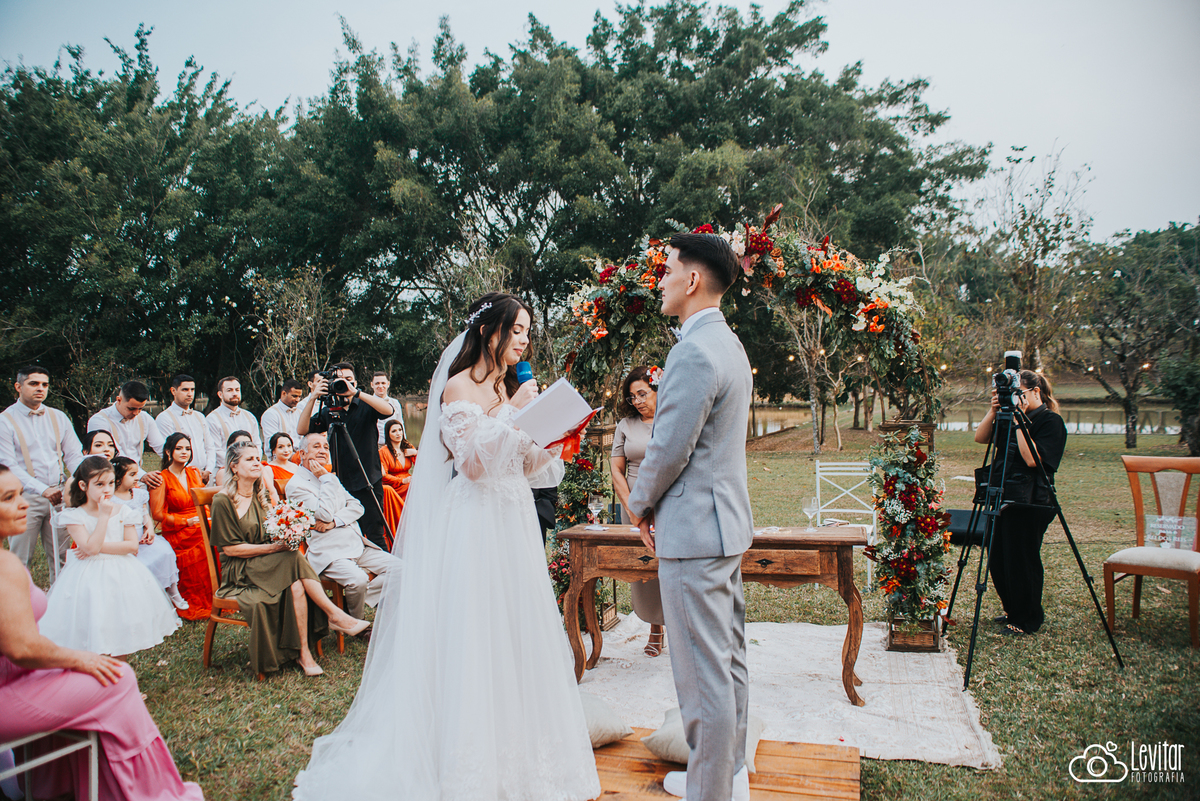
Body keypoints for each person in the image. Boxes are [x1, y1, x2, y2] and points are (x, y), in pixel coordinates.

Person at [294, 293, 600, 800]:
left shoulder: (504, 386)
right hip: (477, 523)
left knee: (515, 626)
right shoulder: (459, 386)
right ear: (487, 332)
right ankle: (467, 763)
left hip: (514, 518)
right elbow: (473, 465)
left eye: (527, 332)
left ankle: (521, 753)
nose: (524, 341)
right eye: (517, 330)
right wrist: (516, 413)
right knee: (476, 631)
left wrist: (551, 438)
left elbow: (520, 464)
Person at [627, 233, 754, 801]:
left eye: (667, 270)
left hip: (695, 531)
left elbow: (669, 448)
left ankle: (710, 791)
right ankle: (728, 776)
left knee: (702, 677)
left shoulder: (693, 351)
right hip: (723, 527)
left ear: (693, 279)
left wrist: (638, 504)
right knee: (727, 661)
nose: (661, 280)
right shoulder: (730, 343)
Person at [0, 464, 205, 801]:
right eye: (9, 498)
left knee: (110, 667)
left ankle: (59, 784)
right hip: (11, 685)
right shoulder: (6, 565)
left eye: (21, 494)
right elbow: (21, 648)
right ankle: (145, 789)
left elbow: (128, 546)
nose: (24, 503)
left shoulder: (6, 560)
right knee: (119, 678)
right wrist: (80, 660)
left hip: (20, 677)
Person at [208, 441, 369, 677]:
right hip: (241, 569)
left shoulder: (260, 495)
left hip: (268, 564)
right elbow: (231, 551)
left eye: (258, 458)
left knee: (295, 583)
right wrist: (274, 548)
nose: (257, 463)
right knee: (292, 558)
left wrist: (289, 531)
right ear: (234, 466)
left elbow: (272, 531)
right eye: (249, 459)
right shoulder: (223, 501)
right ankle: (333, 614)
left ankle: (305, 652)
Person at [38, 457, 181, 656]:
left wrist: (94, 547)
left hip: (121, 572)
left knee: (121, 630)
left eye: (111, 483)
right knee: (92, 626)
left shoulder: (124, 511)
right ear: (83, 486)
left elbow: (131, 546)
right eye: (99, 484)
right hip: (87, 576)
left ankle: (120, 670)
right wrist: (103, 517)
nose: (107, 490)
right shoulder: (74, 516)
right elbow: (90, 548)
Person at [973, 370, 1068, 636]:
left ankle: (1027, 619)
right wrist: (994, 410)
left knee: (1022, 559)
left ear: (1035, 392)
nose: (1012, 399)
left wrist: (1017, 421)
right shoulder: (1008, 416)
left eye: (1018, 394)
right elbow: (981, 437)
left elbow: (1031, 459)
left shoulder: (1050, 421)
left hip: (1033, 500)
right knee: (999, 558)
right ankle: (1012, 609)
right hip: (1003, 495)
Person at [285, 431, 399, 619]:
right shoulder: (297, 485)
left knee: (400, 570)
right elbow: (323, 513)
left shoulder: (328, 477)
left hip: (356, 545)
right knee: (358, 580)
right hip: (329, 552)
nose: (323, 451)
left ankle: (353, 601)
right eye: (316, 446)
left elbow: (357, 507)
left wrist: (334, 522)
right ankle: (356, 622)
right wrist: (327, 479)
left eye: (326, 447)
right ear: (302, 453)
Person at [298, 363, 394, 550]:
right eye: (339, 381)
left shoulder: (366, 405)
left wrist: (356, 393)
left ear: (355, 382)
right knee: (347, 532)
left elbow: (388, 411)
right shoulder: (329, 411)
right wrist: (313, 397)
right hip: (342, 481)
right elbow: (302, 430)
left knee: (375, 532)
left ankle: (384, 565)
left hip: (368, 478)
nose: (344, 384)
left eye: (348, 380)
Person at [0, 365, 84, 574]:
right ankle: (20, 595)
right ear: (18, 386)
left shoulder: (59, 417)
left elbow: (73, 455)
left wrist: (79, 482)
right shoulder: (4, 421)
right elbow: (8, 465)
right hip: (24, 496)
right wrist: (42, 489)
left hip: (60, 494)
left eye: (45, 384)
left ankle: (59, 594)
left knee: (62, 556)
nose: (40, 388)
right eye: (34, 383)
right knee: (20, 559)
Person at [612, 365, 667, 657]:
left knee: (670, 565)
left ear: (658, 390)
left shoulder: (672, 420)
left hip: (669, 504)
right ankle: (655, 628)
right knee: (645, 566)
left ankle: (680, 625)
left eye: (643, 394)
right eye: (632, 397)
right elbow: (616, 470)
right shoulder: (625, 425)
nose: (637, 401)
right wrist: (634, 509)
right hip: (633, 507)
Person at [148, 433, 212, 621]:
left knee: (217, 530)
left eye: (187, 449)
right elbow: (157, 514)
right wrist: (186, 522)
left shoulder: (194, 472)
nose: (184, 452)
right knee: (203, 536)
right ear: (168, 452)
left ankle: (219, 590)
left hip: (200, 519)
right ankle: (196, 597)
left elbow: (203, 501)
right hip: (178, 527)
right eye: (179, 448)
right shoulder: (161, 478)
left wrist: (207, 517)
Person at [111, 455, 188, 611]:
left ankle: (173, 590)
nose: (137, 478)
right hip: (124, 541)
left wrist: (150, 529)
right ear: (118, 478)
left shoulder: (138, 494)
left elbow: (144, 513)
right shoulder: (111, 499)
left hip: (143, 538)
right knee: (140, 565)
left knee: (165, 552)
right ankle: (148, 598)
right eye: (132, 474)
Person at [87, 380, 165, 481]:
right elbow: (116, 453)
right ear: (119, 400)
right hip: (108, 478)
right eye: (131, 408)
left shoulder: (145, 418)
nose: (136, 413)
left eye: (140, 409)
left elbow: (161, 446)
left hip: (136, 477)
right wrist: (141, 475)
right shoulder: (99, 420)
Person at [155, 374, 214, 484]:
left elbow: (209, 446)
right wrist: (189, 472)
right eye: (185, 390)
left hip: (205, 475)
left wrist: (209, 469)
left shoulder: (199, 416)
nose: (190, 394)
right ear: (173, 391)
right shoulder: (165, 418)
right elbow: (166, 451)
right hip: (181, 476)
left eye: (192, 390)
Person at [205, 377, 261, 472]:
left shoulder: (249, 417)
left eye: (237, 390)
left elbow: (257, 444)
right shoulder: (212, 419)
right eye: (229, 390)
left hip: (251, 469)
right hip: (224, 470)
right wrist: (238, 465)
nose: (234, 393)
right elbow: (216, 450)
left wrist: (251, 463)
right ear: (220, 394)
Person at [378, 418, 414, 536]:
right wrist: (402, 480)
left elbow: (422, 466)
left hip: (409, 481)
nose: (398, 433)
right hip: (394, 485)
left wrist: (416, 453)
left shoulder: (407, 446)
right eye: (394, 431)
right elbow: (383, 476)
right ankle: (407, 523)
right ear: (388, 434)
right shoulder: (383, 451)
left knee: (418, 486)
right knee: (410, 486)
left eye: (400, 430)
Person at [260, 379, 308, 444]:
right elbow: (273, 442)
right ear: (284, 393)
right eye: (294, 396)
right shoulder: (270, 414)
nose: (297, 400)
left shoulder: (300, 413)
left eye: (299, 397)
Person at [370, 371, 404, 446]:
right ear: (372, 385)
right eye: (377, 383)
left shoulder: (395, 403)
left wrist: (404, 444)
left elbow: (400, 424)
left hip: (393, 445)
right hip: (374, 446)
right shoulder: (367, 403)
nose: (380, 386)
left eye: (383, 383)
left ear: (388, 384)